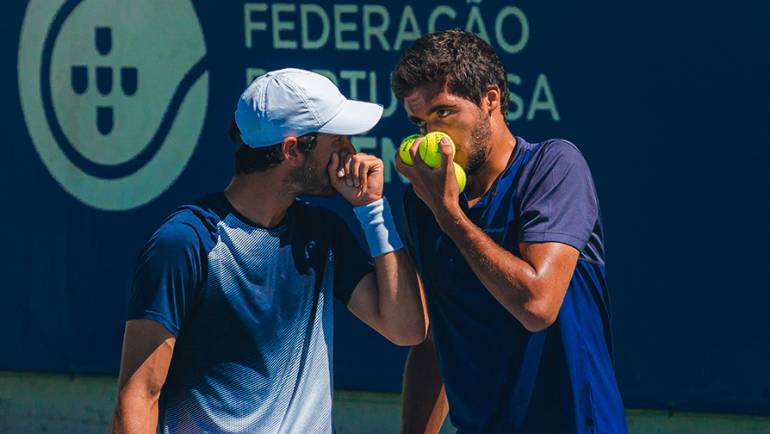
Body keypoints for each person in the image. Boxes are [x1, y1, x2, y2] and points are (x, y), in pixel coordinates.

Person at [110, 68, 427, 434]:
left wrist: (372, 209)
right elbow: (138, 396)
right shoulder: (184, 243)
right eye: (337, 142)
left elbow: (407, 329)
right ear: (292, 150)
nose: (351, 153)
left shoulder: (323, 234)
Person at [392, 30, 627, 433]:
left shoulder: (554, 168)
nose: (432, 138)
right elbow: (435, 342)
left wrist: (449, 215)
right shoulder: (422, 201)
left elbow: (537, 305)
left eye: (444, 114)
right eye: (420, 122)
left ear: (491, 99)